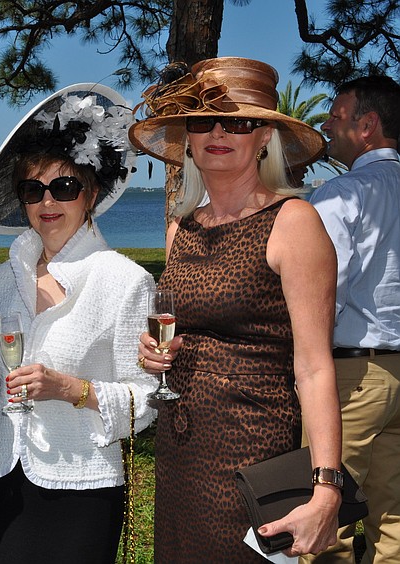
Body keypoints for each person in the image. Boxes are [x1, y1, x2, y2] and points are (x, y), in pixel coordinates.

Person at [130, 57, 343, 562]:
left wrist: (327, 487)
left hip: (253, 458)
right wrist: (152, 354)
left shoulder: (294, 222)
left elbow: (314, 367)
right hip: (180, 452)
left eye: (239, 121)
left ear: (265, 136)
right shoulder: (180, 229)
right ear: (187, 136)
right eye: (203, 120)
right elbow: (182, 332)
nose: (219, 132)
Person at [0, 83, 158, 563]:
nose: (48, 203)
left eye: (63, 187)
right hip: (6, 477)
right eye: (33, 189)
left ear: (90, 193)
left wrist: (70, 388)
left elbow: (145, 402)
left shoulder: (125, 281)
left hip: (82, 489)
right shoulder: (7, 277)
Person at [302, 76, 400, 564]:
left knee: (324, 524)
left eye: (335, 117)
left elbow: (322, 293)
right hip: (398, 374)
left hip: (353, 377)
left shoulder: (344, 195)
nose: (325, 125)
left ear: (368, 126)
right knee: (395, 520)